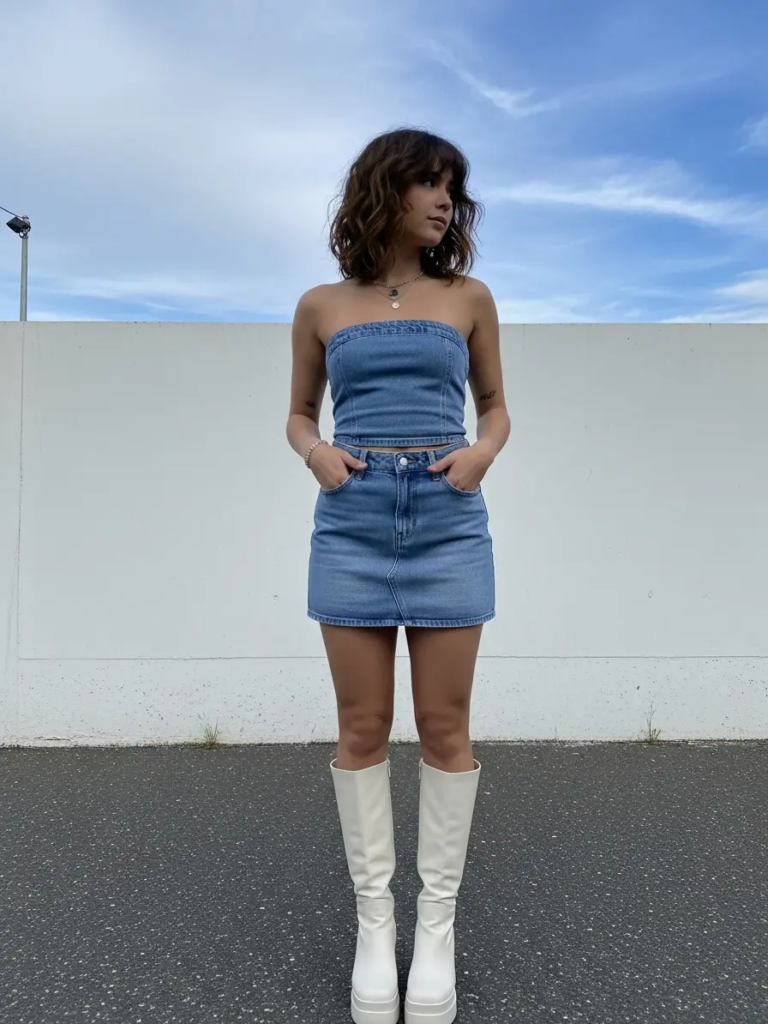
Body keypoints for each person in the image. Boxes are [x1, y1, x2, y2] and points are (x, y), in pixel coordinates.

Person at [286, 127, 510, 1024]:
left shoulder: (470, 298)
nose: (444, 200)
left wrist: (481, 455)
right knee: (363, 723)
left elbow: (494, 406)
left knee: (446, 726)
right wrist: (316, 455)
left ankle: (438, 935)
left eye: (452, 186)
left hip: (449, 516)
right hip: (353, 517)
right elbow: (299, 412)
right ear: (386, 191)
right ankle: (375, 930)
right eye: (428, 183)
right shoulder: (319, 305)